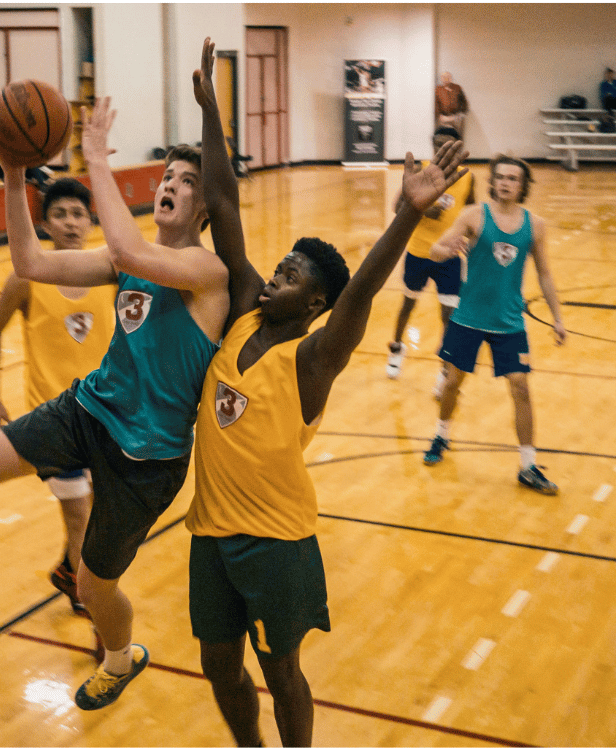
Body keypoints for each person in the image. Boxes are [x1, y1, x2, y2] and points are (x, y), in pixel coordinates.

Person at [0, 101, 230, 711]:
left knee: (93, 581)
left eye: (187, 182)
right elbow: (29, 264)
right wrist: (9, 175)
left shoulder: (204, 271)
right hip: (87, 411)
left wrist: (98, 158)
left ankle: (119, 658)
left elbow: (134, 254)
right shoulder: (123, 261)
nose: (171, 187)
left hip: (149, 456)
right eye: (167, 177)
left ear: (207, 206)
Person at [190, 37, 467, 748]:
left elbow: (365, 289)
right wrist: (211, 110)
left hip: (278, 538)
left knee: (281, 671)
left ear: (317, 304)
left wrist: (406, 212)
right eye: (285, 261)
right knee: (218, 664)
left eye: (298, 272)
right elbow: (222, 201)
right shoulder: (246, 308)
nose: (282, 268)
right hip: (210, 531)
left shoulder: (314, 358)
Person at [0, 177, 117, 621]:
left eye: (78, 214)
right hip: (53, 419)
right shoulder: (27, 278)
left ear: (91, 221)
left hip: (104, 413)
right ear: (44, 223)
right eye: (60, 214)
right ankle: (86, 596)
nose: (71, 223)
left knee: (97, 512)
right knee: (79, 513)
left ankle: (67, 568)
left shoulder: (110, 275)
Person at [421, 154, 566, 497]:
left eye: (513, 178)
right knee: (453, 381)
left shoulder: (536, 225)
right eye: (500, 177)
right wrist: (447, 249)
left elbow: (544, 274)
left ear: (523, 185)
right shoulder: (474, 216)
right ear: (493, 181)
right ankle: (442, 434)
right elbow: (434, 249)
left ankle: (528, 466)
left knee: (520, 387)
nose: (505, 183)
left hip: (509, 322)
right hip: (468, 318)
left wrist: (558, 317)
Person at [386, 125, 475, 389]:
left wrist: (473, 240)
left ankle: (445, 368)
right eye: (437, 144)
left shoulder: (467, 178)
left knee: (448, 315)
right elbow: (396, 206)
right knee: (408, 305)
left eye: (447, 145)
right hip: (418, 253)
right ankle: (396, 347)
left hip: (449, 256)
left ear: (457, 148)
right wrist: (425, 211)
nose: (441, 149)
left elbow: (471, 209)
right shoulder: (419, 170)